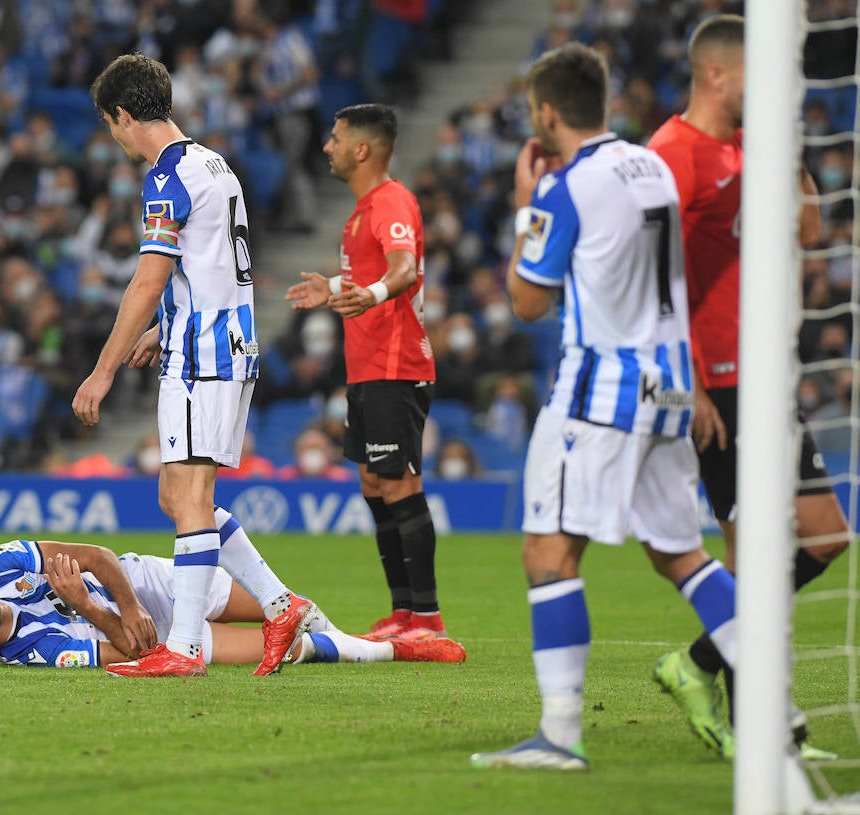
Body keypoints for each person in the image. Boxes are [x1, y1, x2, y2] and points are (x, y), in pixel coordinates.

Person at [469, 43, 739, 770]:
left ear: (545, 114)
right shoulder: (651, 166)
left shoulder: (566, 188)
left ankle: (560, 737)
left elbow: (527, 302)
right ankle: (778, 707)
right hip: (671, 386)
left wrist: (527, 205)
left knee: (548, 554)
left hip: (602, 391)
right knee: (682, 554)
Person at [645, 14, 850, 760]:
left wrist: (786, 153)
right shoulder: (670, 156)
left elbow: (806, 232)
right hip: (713, 384)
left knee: (825, 533)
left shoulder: (744, 147)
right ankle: (760, 725)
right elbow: (652, 281)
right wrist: (691, 383)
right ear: (717, 74)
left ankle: (697, 663)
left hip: (763, 372)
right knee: (747, 551)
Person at [72, 54, 313, 678]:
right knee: (178, 496)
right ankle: (280, 604)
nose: (115, 137)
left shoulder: (166, 178)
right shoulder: (213, 163)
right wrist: (165, 326)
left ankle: (183, 649)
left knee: (190, 497)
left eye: (110, 125)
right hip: (224, 340)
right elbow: (213, 267)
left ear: (122, 116)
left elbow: (147, 280)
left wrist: (102, 371)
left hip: (202, 353)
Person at [285, 104, 449, 642]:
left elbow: (404, 269)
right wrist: (332, 287)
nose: (327, 147)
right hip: (367, 367)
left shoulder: (392, 201)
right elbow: (372, 270)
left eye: (335, 139)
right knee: (374, 482)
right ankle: (402, 612)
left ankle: (426, 618)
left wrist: (372, 294)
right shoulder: (361, 211)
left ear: (361, 149)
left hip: (396, 365)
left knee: (399, 482)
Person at [0, 533, 466, 669]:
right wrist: (87, 607)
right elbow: (138, 651)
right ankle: (396, 649)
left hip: (145, 582)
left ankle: (368, 635)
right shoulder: (35, 652)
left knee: (283, 606)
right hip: (154, 635)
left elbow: (99, 556)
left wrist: (127, 605)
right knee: (285, 649)